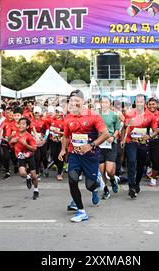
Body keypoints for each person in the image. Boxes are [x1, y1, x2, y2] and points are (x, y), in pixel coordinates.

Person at [59, 90, 109, 222]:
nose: (74, 103)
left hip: (90, 156)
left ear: (83, 101)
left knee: (90, 186)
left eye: (77, 100)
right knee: (72, 179)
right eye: (72, 100)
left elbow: (106, 134)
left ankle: (96, 184)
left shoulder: (93, 116)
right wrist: (63, 150)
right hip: (75, 154)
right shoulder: (68, 118)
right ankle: (81, 211)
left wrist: (90, 145)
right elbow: (65, 136)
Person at [121, 94, 158, 198]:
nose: (139, 103)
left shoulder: (150, 115)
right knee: (132, 161)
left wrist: (150, 135)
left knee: (141, 165)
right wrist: (123, 139)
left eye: (141, 101)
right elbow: (124, 127)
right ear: (135, 102)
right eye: (138, 101)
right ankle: (131, 187)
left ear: (144, 103)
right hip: (131, 141)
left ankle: (137, 184)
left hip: (142, 143)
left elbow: (155, 130)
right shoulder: (129, 114)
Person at [98, 96, 121, 199]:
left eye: (106, 102)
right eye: (102, 102)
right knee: (101, 170)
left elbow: (117, 129)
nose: (104, 104)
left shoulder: (114, 115)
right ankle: (106, 190)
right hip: (99, 144)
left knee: (109, 169)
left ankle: (112, 179)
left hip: (111, 143)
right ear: (100, 103)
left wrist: (113, 137)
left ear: (109, 104)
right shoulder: (96, 115)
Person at [11, 117, 39, 199]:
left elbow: (34, 148)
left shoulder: (29, 136)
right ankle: (27, 177)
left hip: (30, 156)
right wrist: (12, 141)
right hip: (21, 156)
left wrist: (26, 144)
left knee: (34, 176)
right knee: (22, 173)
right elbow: (11, 144)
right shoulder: (15, 134)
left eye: (23, 124)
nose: (21, 125)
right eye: (20, 123)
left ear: (27, 126)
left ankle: (36, 190)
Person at [146, 98, 159, 187]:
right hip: (143, 140)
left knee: (155, 160)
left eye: (153, 104)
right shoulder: (143, 114)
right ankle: (148, 167)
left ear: (157, 104)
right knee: (145, 159)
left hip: (155, 140)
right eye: (150, 104)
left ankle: (153, 178)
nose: (151, 106)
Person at [31, 106, 49, 177]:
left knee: (43, 156)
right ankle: (37, 172)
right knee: (36, 157)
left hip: (42, 140)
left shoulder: (44, 121)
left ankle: (45, 167)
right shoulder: (31, 120)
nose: (37, 114)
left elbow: (47, 130)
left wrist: (45, 138)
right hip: (34, 141)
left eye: (38, 113)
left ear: (40, 113)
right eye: (35, 113)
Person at [49, 106, 65, 181]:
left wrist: (58, 132)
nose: (57, 113)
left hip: (61, 142)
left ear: (61, 113)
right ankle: (59, 168)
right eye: (56, 112)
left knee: (60, 156)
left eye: (58, 112)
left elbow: (66, 132)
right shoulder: (52, 120)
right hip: (53, 141)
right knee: (54, 156)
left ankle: (59, 172)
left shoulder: (64, 121)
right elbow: (48, 130)